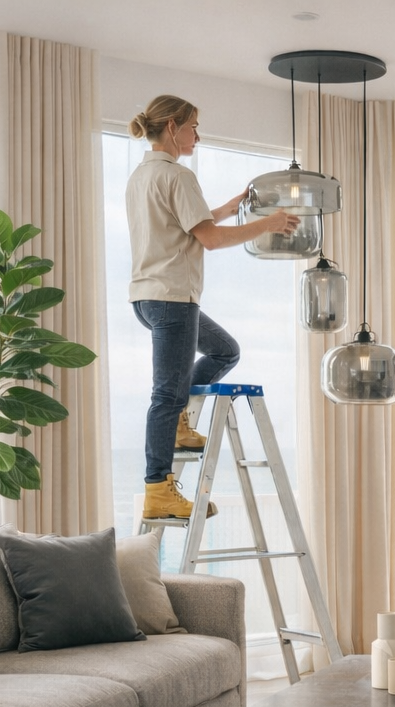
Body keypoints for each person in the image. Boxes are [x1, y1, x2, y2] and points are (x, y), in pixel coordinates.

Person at [125, 94, 300, 519]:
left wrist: (232, 206)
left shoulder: (141, 176)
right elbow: (210, 239)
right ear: (172, 127)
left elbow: (193, 223)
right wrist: (268, 224)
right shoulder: (179, 177)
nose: (197, 136)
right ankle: (158, 489)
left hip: (148, 296)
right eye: (193, 127)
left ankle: (182, 425)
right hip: (173, 298)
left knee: (225, 351)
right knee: (166, 394)